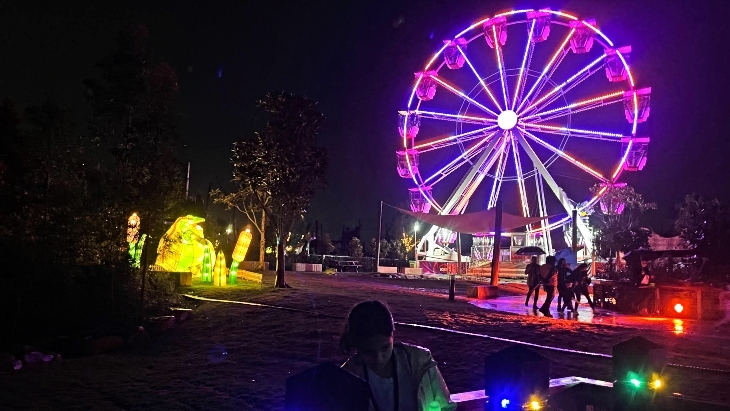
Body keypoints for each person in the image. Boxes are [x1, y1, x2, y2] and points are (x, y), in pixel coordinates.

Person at [340, 300, 456, 411]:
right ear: (356, 345)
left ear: (393, 336)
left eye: (385, 348)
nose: (379, 359)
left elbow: (446, 407)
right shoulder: (347, 376)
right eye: (369, 352)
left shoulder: (420, 362)